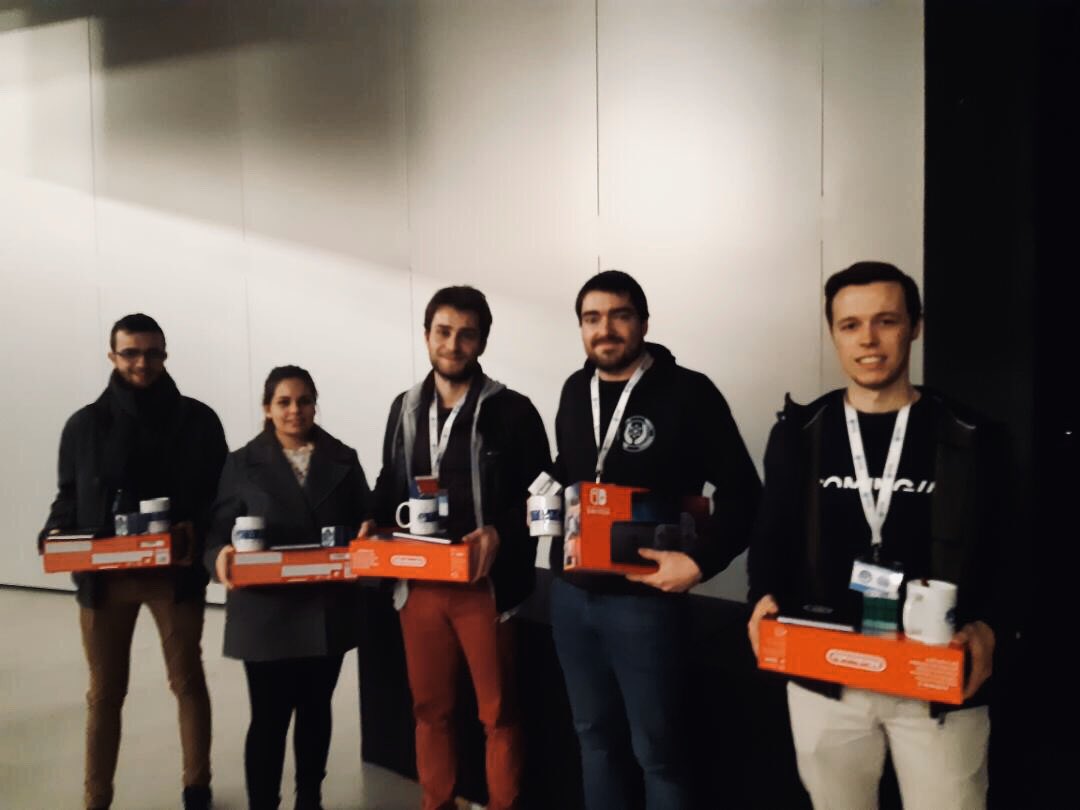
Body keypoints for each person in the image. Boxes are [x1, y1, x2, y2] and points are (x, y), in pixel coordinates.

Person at [747, 261, 1001, 809]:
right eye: (851, 324)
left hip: (936, 677)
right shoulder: (799, 433)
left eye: (886, 321)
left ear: (915, 326)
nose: (868, 339)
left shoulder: (971, 435)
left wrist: (992, 627)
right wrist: (760, 596)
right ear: (834, 333)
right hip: (826, 676)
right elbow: (770, 535)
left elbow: (1013, 549)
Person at [549, 270, 762, 810]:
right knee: (593, 739)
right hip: (571, 597)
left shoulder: (688, 392)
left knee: (659, 754)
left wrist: (701, 563)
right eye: (592, 318)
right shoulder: (574, 391)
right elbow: (571, 471)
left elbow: (744, 493)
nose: (605, 329)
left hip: (645, 605)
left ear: (643, 322)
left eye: (619, 315)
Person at [361, 285, 551, 810]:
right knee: (430, 710)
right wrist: (373, 516)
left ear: (482, 341)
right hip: (419, 583)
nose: (453, 344)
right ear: (426, 335)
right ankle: (437, 803)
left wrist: (501, 532)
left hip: (485, 588)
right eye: (443, 332)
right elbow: (390, 479)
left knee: (498, 714)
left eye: (466, 334)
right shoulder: (404, 408)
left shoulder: (513, 411)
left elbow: (545, 494)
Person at [40, 313, 226, 810]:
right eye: (131, 353)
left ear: (165, 355)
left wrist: (196, 530)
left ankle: (197, 788)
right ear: (112, 356)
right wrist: (53, 531)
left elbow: (220, 498)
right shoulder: (83, 425)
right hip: (104, 579)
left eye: (152, 353)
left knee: (187, 681)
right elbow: (68, 496)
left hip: (174, 575)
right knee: (104, 693)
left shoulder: (200, 421)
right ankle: (96, 798)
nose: (142, 362)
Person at [206, 365, 371, 810]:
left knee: (316, 711)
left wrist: (369, 530)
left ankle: (309, 800)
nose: (295, 410)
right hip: (264, 613)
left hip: (325, 608)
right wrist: (218, 554)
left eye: (304, 401)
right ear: (267, 408)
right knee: (269, 718)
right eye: (284, 402)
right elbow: (217, 530)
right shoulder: (241, 463)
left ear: (315, 405)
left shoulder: (343, 458)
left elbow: (366, 516)